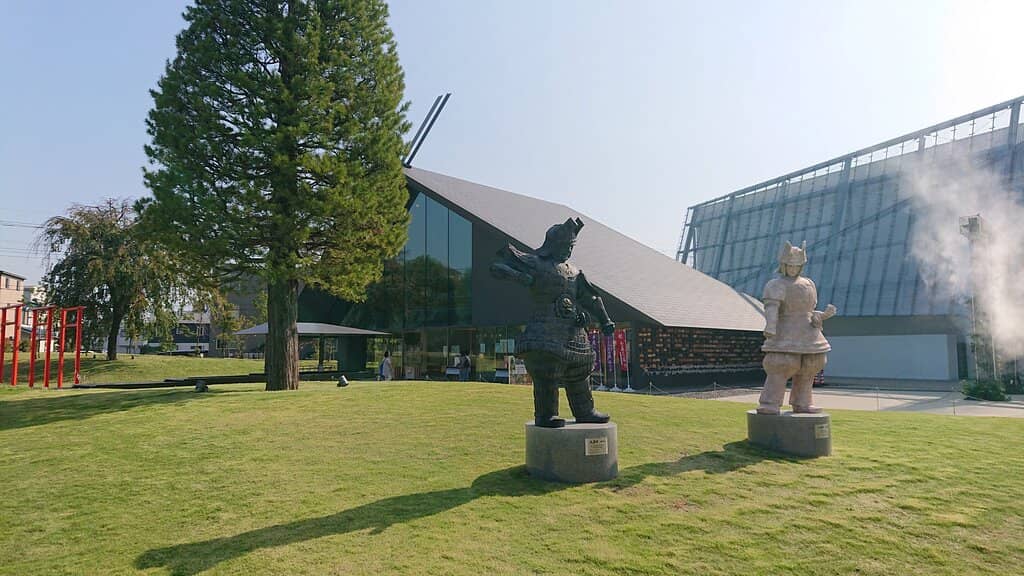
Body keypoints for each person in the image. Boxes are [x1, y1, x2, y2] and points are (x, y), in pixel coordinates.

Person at [490, 217, 614, 428]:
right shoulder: (537, 263)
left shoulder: (575, 272)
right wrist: (519, 277)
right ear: (553, 244)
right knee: (547, 371)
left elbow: (590, 298)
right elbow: (498, 266)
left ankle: (585, 411)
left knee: (579, 371)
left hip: (573, 331)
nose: (569, 250)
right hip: (544, 329)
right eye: (565, 246)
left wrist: (604, 320)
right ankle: (546, 414)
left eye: (571, 246)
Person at [757, 241, 837, 415]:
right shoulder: (775, 284)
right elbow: (772, 307)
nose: (793, 269)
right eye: (790, 265)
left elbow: (809, 311)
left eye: (796, 266)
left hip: (809, 332)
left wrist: (823, 315)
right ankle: (770, 402)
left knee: (810, 366)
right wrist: (771, 325)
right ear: (783, 265)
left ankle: (802, 402)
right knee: (782, 364)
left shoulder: (809, 284)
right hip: (786, 330)